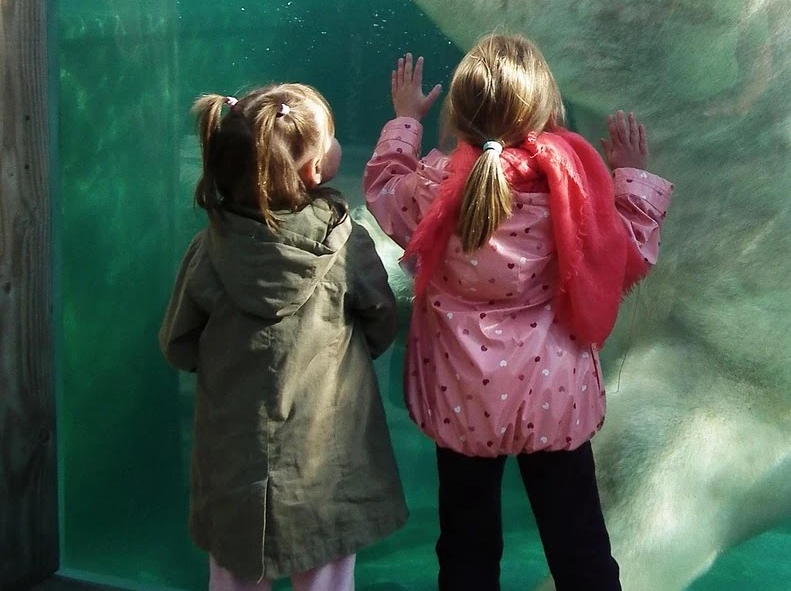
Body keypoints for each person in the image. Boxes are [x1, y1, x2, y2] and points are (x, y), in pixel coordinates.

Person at [363, 36, 673, 591]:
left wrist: (405, 120)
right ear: (548, 110)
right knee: (579, 547)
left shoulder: (430, 189)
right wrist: (628, 177)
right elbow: (624, 257)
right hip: (554, 399)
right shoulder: (572, 193)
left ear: (457, 112)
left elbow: (383, 188)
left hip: (461, 402)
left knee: (466, 549)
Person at [159, 83, 407, 591]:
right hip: (326, 463)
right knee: (326, 568)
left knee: (232, 567)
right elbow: (382, 318)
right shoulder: (344, 244)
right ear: (315, 169)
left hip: (233, 461)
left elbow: (177, 343)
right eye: (331, 136)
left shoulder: (208, 249)